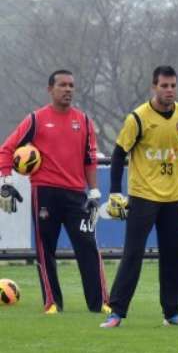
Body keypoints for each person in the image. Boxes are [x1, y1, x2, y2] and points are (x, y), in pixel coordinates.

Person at [100, 65, 178, 328]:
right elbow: (119, 154)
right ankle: (117, 313)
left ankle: (172, 313)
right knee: (133, 254)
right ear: (153, 87)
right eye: (164, 86)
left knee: (174, 255)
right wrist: (114, 193)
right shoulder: (138, 118)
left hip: (173, 199)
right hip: (143, 196)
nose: (169, 90)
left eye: (173, 86)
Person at [0, 70, 109, 314]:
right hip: (45, 193)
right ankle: (51, 302)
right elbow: (6, 149)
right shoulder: (36, 120)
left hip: (77, 195)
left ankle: (100, 302)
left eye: (71, 85)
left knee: (88, 247)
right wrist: (6, 182)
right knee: (45, 248)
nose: (68, 89)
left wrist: (94, 193)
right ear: (50, 89)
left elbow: (90, 159)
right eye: (62, 85)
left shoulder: (84, 121)